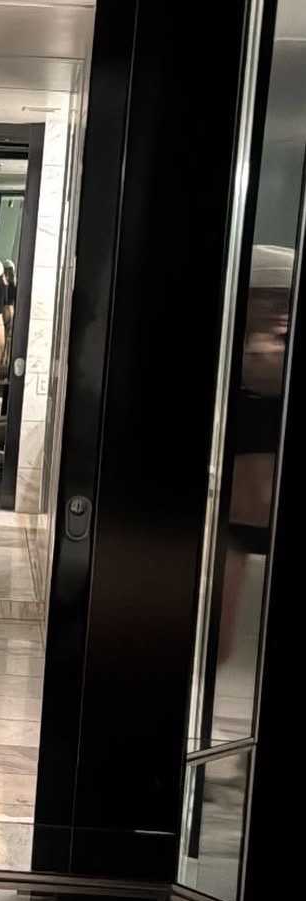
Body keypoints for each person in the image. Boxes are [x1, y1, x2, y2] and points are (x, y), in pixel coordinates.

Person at [218, 244, 292, 664]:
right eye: (270, 297)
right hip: (235, 521)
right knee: (220, 646)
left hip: (264, 515)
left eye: (286, 298)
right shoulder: (236, 354)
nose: (280, 308)